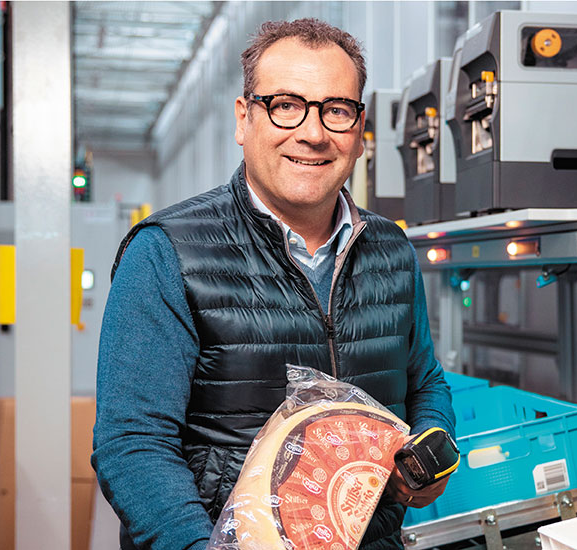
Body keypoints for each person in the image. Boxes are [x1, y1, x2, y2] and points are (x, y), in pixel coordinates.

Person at [92, 18, 455, 550]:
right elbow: (133, 444)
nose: (312, 133)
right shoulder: (166, 251)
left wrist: (429, 452)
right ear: (244, 119)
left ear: (359, 131)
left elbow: (425, 384)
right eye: (286, 105)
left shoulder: (391, 249)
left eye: (336, 110)